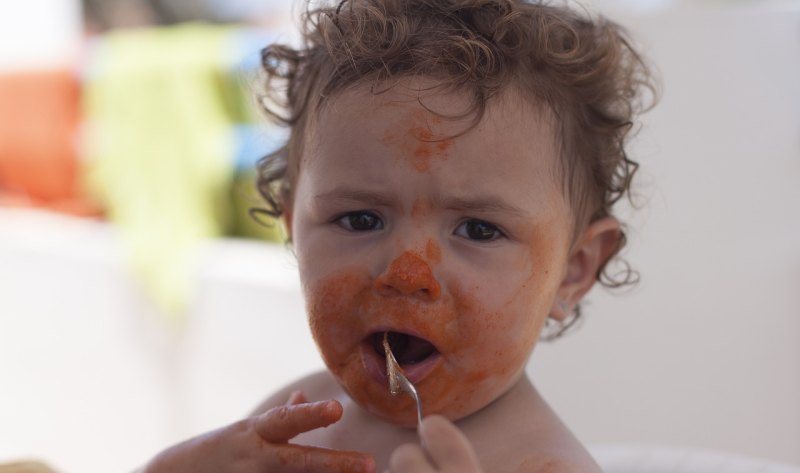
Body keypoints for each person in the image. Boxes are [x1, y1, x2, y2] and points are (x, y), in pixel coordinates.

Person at [140, 0, 655, 471]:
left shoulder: (545, 466)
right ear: (292, 226)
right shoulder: (291, 425)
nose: (408, 274)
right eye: (360, 219)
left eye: (478, 229)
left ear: (574, 269)